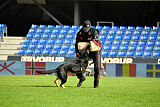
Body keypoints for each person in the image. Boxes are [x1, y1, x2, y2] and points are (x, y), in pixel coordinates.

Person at [75, 20, 102, 88]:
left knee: (97, 68)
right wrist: (77, 52)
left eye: (87, 29)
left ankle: (96, 84)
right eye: (85, 29)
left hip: (95, 52)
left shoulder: (94, 31)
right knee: (77, 67)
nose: (86, 30)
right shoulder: (80, 33)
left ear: (89, 27)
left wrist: (91, 43)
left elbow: (98, 42)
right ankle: (81, 78)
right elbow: (77, 43)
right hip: (85, 52)